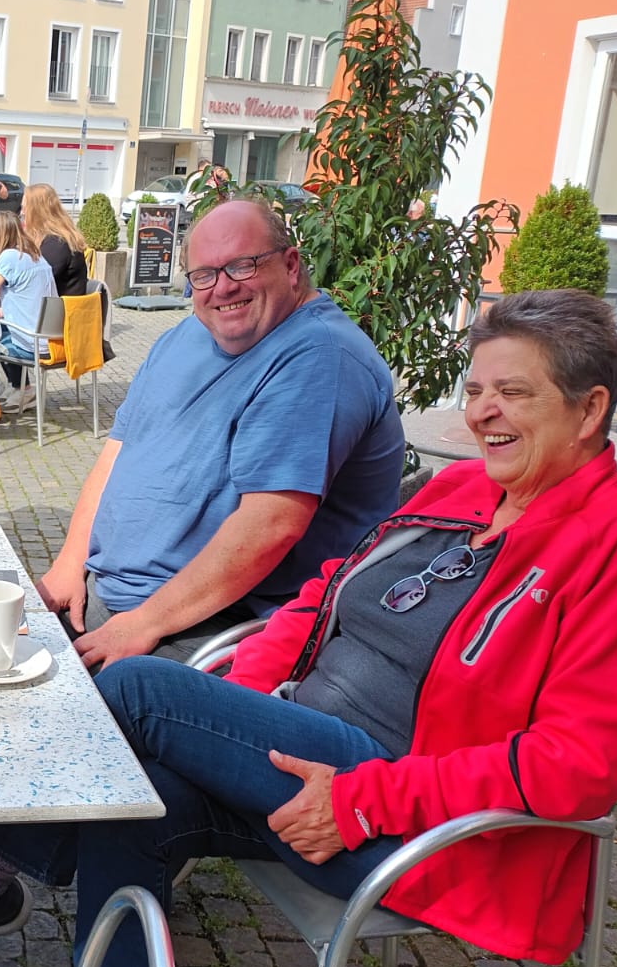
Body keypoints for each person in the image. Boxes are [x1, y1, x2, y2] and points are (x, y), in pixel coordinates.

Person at [0, 289, 617, 967]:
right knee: (140, 798)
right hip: (301, 752)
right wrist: (232, 718)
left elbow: (576, 768)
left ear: (589, 409)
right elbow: (323, 595)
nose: (483, 414)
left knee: (135, 686)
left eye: (513, 393)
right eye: (475, 391)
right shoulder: (462, 489)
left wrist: (366, 799)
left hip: (410, 816)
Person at [37, 198, 405, 668]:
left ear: (291, 265)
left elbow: (271, 527)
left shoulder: (320, 356)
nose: (223, 287)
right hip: (106, 598)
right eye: (204, 275)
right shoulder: (185, 335)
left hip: (204, 629)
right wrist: (69, 564)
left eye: (242, 266)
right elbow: (117, 453)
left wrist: (143, 623)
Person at [0, 209, 57, 409]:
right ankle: (20, 388)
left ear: (0, 238)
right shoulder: (34, 255)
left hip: (31, 344)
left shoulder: (8, 257)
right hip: (50, 340)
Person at [21, 183, 88, 296]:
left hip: (60, 305)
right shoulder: (48, 239)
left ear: (37, 212)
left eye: (24, 208)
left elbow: (36, 280)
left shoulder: (58, 242)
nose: (22, 213)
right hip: (47, 302)